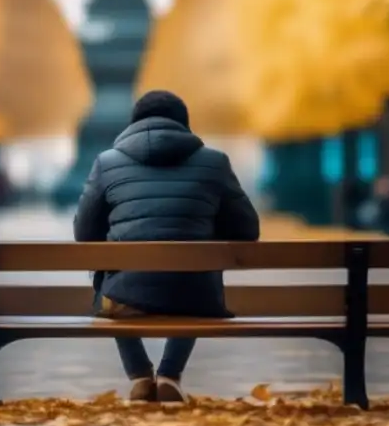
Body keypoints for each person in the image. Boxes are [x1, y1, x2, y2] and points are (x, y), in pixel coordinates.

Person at [73, 90, 260, 403]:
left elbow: (83, 233)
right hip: (196, 298)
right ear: (184, 125)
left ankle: (140, 375)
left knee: (109, 275)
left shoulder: (106, 163)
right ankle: (170, 374)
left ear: (134, 124)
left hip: (124, 299)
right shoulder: (215, 162)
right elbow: (248, 229)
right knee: (194, 273)